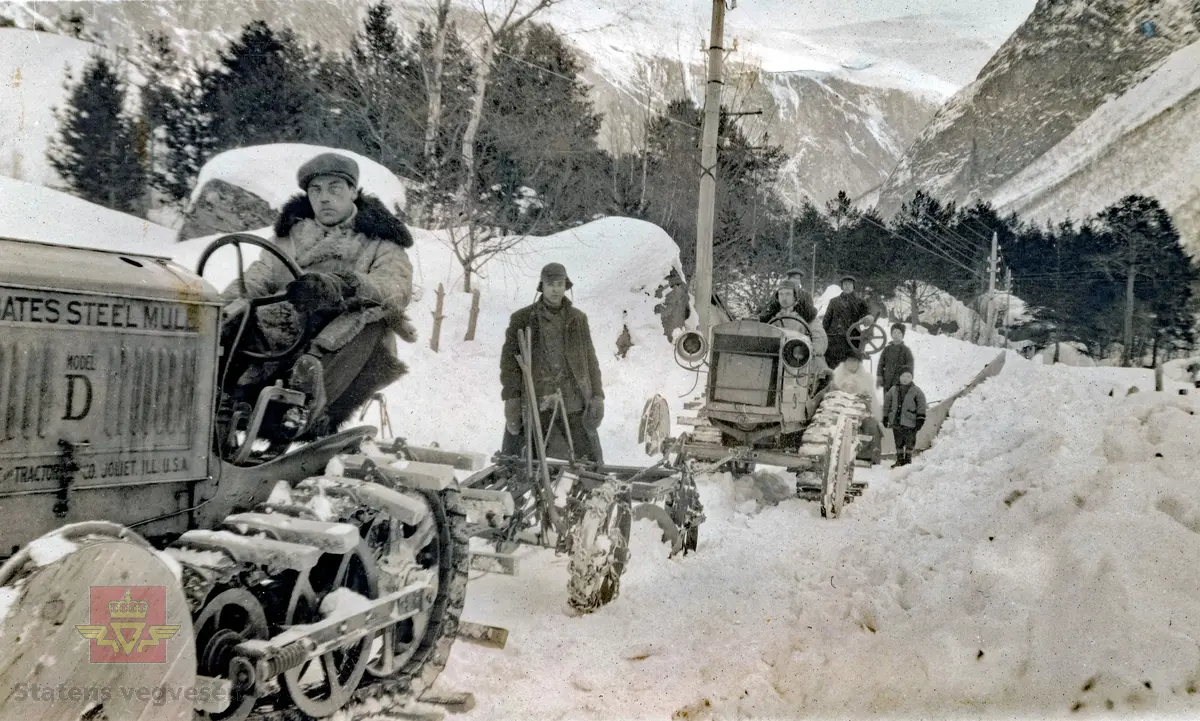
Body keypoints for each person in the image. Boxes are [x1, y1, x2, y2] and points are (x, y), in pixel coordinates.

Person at [220, 151, 416, 440]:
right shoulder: (291, 237)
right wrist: (222, 307)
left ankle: (302, 400)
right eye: (315, 190)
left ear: (352, 192)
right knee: (233, 320)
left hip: (348, 343)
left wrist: (343, 285)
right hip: (283, 332)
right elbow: (258, 277)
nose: (324, 198)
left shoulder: (380, 240)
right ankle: (221, 401)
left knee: (370, 316)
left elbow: (395, 287)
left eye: (334, 188)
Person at [500, 262, 606, 463]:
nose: (556, 289)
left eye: (560, 283)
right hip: (535, 398)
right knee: (518, 462)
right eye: (550, 284)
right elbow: (509, 365)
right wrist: (512, 399)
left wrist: (598, 395)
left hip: (572, 399)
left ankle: (594, 492)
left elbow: (590, 360)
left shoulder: (578, 319)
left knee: (590, 462)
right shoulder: (522, 319)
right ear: (542, 286)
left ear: (566, 286)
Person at [822, 274, 874, 369]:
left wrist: (869, 317)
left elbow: (867, 315)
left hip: (851, 342)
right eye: (845, 284)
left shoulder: (860, 302)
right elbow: (826, 321)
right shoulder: (834, 301)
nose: (847, 286)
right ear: (841, 286)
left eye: (849, 284)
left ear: (853, 286)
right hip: (833, 341)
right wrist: (822, 335)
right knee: (831, 370)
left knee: (850, 371)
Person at [882, 370, 927, 467]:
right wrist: (885, 416)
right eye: (903, 376)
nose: (905, 379)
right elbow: (887, 404)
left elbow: (921, 405)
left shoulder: (917, 391)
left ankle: (907, 460)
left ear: (912, 378)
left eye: (908, 376)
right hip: (896, 421)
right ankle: (899, 460)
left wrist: (920, 418)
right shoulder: (893, 390)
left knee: (909, 441)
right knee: (898, 441)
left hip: (910, 422)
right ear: (899, 377)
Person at [876, 323, 915, 395]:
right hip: (887, 380)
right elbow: (881, 363)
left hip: (900, 381)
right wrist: (879, 375)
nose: (896, 335)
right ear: (891, 334)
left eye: (899, 333)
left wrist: (907, 377)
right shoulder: (887, 349)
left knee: (898, 399)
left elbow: (910, 365)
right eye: (894, 332)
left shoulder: (906, 350)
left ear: (902, 335)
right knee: (887, 399)